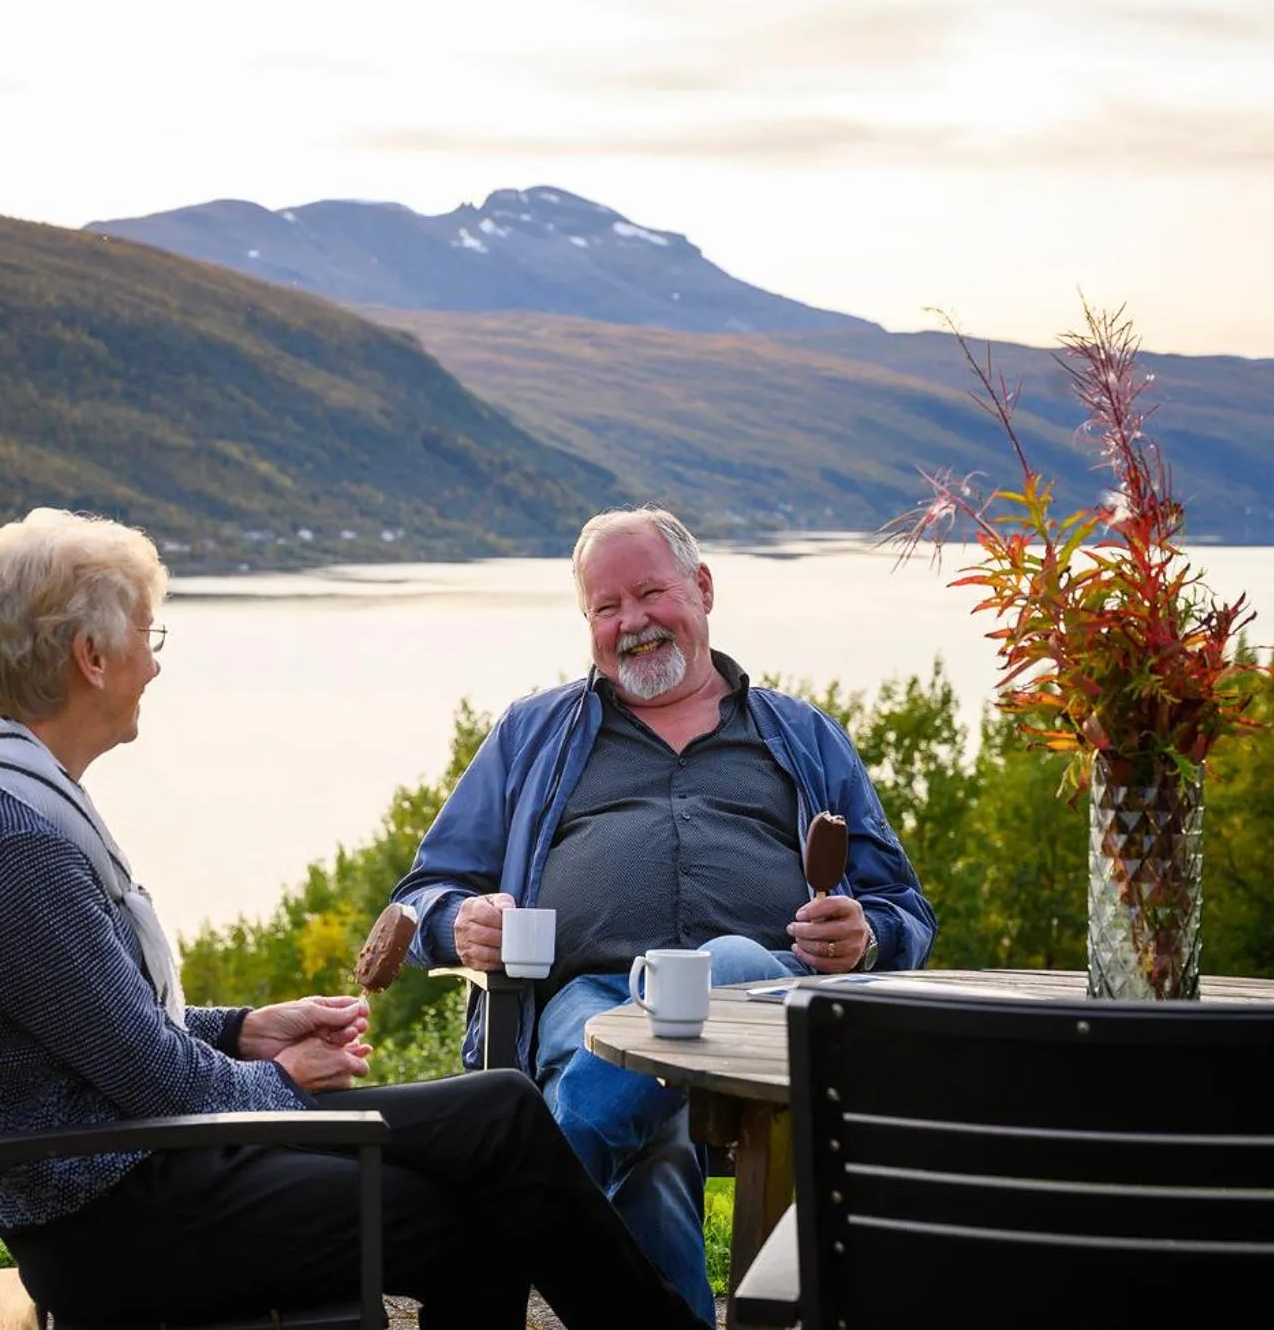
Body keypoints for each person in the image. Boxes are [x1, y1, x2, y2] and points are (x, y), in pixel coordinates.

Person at [0, 507, 707, 1330]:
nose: (155, 666)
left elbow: (103, 1031)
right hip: (115, 1215)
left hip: (132, 1170)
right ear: (91, 658)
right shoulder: (15, 844)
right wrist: (284, 1079)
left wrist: (248, 1027)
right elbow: (161, 1083)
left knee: (500, 1107)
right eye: (148, 637)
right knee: (477, 1204)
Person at [390, 506, 938, 1322]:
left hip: (762, 1001)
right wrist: (457, 919)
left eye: (649, 593)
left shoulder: (801, 735)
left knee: (726, 962)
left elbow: (904, 910)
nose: (632, 622)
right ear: (588, 624)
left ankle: (515, 1209)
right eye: (606, 608)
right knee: (650, 1156)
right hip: (587, 998)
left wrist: (867, 934)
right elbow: (423, 890)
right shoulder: (531, 733)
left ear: (704, 587)